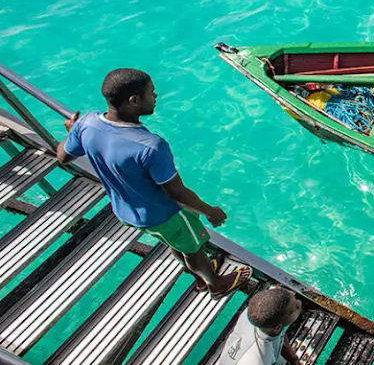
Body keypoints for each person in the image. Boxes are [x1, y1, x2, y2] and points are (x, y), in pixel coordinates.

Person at [56, 69, 249, 297]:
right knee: (194, 248)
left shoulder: (87, 123)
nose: (156, 96)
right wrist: (211, 211)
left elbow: (62, 157)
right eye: (151, 92)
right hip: (167, 215)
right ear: (134, 101)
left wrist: (73, 133)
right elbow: (177, 194)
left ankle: (199, 275)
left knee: (177, 243)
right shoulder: (150, 146)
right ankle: (214, 283)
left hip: (127, 212)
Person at [214, 288, 303, 365]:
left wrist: (294, 360)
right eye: (296, 307)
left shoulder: (259, 312)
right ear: (277, 327)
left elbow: (281, 335)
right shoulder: (260, 360)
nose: (299, 303)